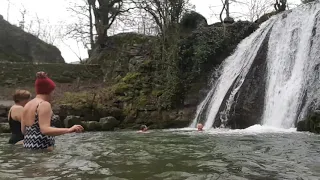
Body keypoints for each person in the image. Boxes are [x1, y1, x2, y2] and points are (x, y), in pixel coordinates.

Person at [21, 71, 84, 150]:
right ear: (49, 90)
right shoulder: (44, 104)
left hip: (28, 149)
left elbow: (23, 131)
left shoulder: (27, 105)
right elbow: (45, 129)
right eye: (53, 91)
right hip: (42, 151)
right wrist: (69, 129)